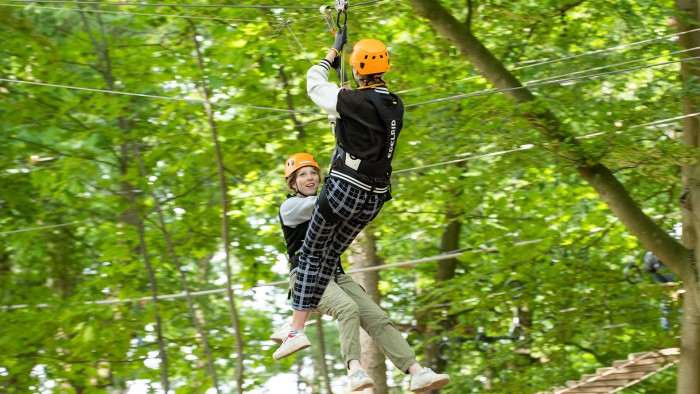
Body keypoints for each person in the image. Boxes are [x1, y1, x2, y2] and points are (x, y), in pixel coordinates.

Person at [273, 26, 404, 358]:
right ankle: (292, 327)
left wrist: (332, 53)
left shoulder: (352, 100)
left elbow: (314, 84)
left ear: (358, 69)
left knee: (312, 256)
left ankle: (295, 329)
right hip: (375, 196)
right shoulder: (394, 104)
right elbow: (362, 114)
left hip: (347, 191)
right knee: (328, 257)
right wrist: (344, 104)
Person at [273, 152, 451, 392]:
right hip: (307, 276)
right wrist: (353, 184)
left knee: (378, 318)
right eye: (302, 175)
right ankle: (354, 371)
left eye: (313, 173)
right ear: (293, 183)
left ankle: (417, 372)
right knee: (347, 308)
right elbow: (326, 203)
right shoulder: (290, 207)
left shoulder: (327, 201)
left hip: (335, 274)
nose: (310, 178)